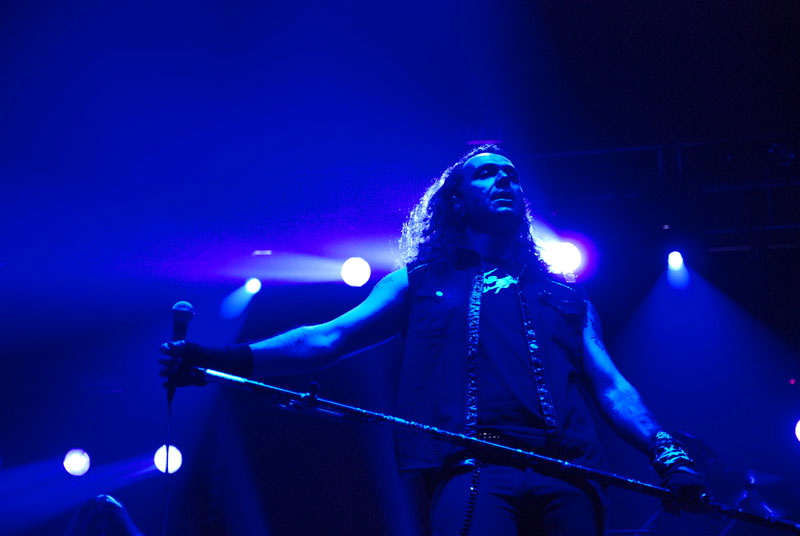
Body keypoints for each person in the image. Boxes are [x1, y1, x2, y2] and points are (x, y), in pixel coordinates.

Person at [160, 144, 706, 535]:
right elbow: (327, 339)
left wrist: (667, 455)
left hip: (571, 477)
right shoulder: (419, 282)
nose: (504, 182)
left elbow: (611, 387)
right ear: (457, 202)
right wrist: (217, 359)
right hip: (475, 472)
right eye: (486, 175)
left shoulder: (566, 298)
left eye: (512, 176)